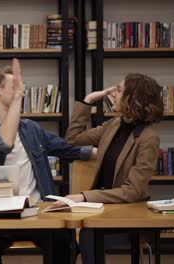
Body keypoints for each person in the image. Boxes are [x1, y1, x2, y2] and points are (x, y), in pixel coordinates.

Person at [0, 58, 94, 264]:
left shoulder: (31, 128)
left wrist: (100, 152)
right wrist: (16, 101)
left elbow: (66, 148)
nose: (21, 91)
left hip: (36, 210)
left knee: (64, 240)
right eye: (15, 87)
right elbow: (3, 142)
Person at [63, 73, 164, 264]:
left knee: (88, 235)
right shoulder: (115, 124)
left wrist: (84, 196)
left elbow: (132, 191)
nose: (113, 94)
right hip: (100, 209)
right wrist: (88, 101)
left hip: (128, 216)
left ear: (132, 98)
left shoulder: (149, 137)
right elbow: (72, 140)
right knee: (63, 237)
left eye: (119, 90)